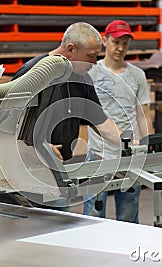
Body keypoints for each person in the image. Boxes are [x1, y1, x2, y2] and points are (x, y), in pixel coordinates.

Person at [10, 22, 123, 210]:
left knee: (58, 230)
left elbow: (100, 122)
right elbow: (3, 128)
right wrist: (36, 150)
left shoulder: (81, 79)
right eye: (91, 56)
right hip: (24, 177)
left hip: (58, 176)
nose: (95, 63)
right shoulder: (32, 74)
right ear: (71, 49)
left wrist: (132, 145)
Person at [83, 20, 154, 223]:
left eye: (125, 43)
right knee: (94, 214)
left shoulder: (137, 75)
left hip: (130, 154)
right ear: (105, 41)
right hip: (99, 154)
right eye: (116, 42)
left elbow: (143, 113)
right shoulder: (92, 72)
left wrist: (147, 145)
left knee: (129, 214)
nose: (120, 48)